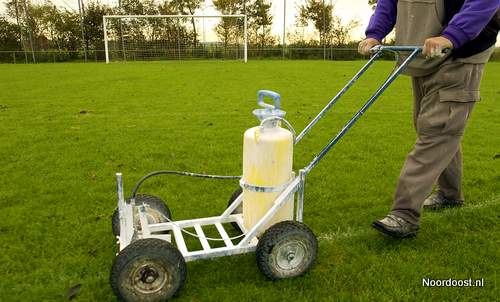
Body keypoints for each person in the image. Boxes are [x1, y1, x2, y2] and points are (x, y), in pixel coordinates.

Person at [358, 0, 500, 238]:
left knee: (437, 130)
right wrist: (375, 34)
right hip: (423, 55)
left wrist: (452, 36)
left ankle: (404, 214)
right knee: (437, 129)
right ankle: (450, 195)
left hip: (460, 53)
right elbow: (389, 2)